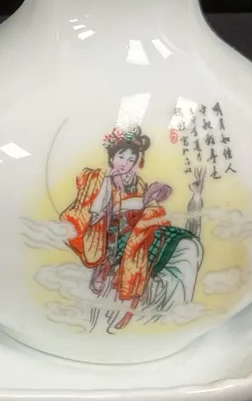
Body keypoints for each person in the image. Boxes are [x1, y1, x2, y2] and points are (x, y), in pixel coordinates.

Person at [59, 125, 202, 331]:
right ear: (111, 158)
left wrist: (153, 199)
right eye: (121, 156)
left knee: (184, 242)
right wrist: (112, 187)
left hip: (140, 229)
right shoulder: (98, 178)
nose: (125, 163)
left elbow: (150, 208)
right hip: (111, 235)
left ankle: (175, 304)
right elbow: (95, 212)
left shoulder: (138, 182)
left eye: (131, 159)